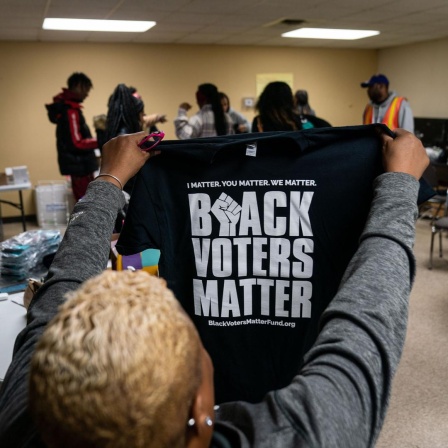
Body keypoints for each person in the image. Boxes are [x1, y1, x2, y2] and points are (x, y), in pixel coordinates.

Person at [0, 128, 429, 447]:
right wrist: (400, 185)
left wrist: (109, 179)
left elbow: (62, 290)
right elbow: (372, 305)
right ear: (202, 412)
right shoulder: (299, 434)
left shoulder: (22, 417)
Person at [45, 72, 99, 201]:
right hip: (80, 167)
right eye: (86, 89)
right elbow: (77, 143)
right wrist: (101, 140)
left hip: (78, 166)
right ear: (77, 86)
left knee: (85, 203)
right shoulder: (71, 111)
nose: (87, 93)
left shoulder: (66, 108)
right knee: (86, 204)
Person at [252, 81, 331, 132]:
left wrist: (250, 157)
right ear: (289, 100)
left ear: (264, 100)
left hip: (269, 158)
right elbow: (327, 129)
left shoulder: (259, 121)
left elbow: (252, 147)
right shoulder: (302, 120)